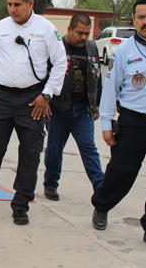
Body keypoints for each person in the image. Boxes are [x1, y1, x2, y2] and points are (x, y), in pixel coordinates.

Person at [0, 0, 67, 225]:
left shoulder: (46, 29)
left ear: (30, 4)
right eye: (10, 4)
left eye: (18, 5)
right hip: (0, 98)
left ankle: (21, 203)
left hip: (32, 100)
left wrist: (46, 95)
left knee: (30, 154)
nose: (12, 9)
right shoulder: (0, 28)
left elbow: (60, 63)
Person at [91, 0, 146, 254]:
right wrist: (106, 124)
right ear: (134, 20)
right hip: (134, 122)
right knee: (122, 171)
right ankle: (102, 205)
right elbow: (109, 91)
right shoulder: (123, 52)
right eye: (141, 17)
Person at [43, 13, 104, 201]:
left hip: (83, 109)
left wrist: (97, 103)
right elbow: (44, 76)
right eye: (80, 33)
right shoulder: (56, 47)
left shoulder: (92, 47)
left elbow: (97, 76)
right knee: (54, 149)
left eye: (87, 34)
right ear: (69, 29)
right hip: (58, 108)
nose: (84, 38)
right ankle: (51, 184)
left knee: (89, 148)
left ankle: (101, 188)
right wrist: (45, 100)